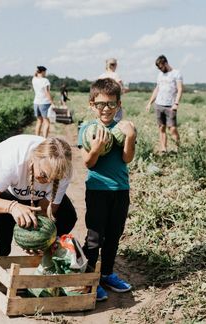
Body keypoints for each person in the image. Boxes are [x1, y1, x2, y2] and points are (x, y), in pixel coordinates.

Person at [0, 135, 77, 257]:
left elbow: (45, 210)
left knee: (67, 217)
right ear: (34, 159)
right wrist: (12, 207)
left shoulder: (64, 171)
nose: (47, 181)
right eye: (44, 175)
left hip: (24, 190)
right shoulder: (14, 162)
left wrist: (35, 239)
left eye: (53, 178)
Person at [77, 78, 137, 301]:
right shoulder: (87, 129)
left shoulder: (123, 128)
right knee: (95, 237)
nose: (106, 109)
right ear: (92, 104)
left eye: (111, 104)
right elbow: (88, 163)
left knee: (114, 235)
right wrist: (97, 148)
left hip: (121, 189)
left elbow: (127, 158)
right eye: (101, 104)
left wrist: (130, 136)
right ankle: (89, 277)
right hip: (97, 189)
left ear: (119, 105)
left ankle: (107, 273)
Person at [145, 55, 183, 153]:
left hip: (170, 106)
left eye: (161, 67)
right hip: (159, 104)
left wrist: (176, 103)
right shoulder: (160, 75)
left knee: (172, 128)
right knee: (161, 127)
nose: (160, 69)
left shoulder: (176, 73)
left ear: (165, 63)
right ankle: (163, 149)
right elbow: (157, 89)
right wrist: (150, 103)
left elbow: (180, 90)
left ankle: (179, 148)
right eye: (158, 68)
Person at [98, 58, 129, 122]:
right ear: (114, 65)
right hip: (113, 102)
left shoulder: (101, 76)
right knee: (116, 121)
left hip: (102, 102)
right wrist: (124, 90)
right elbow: (121, 88)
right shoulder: (115, 75)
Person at [32, 66, 55, 138]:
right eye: (45, 72)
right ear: (42, 71)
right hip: (44, 102)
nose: (46, 73)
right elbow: (47, 92)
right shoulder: (45, 80)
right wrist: (52, 102)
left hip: (36, 102)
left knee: (39, 121)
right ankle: (44, 139)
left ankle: (36, 138)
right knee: (47, 122)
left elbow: (34, 75)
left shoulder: (34, 79)